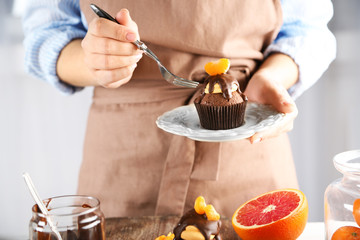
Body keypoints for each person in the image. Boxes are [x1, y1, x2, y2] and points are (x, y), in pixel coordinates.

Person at [22, 0, 336, 218]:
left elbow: (308, 31)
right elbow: (45, 36)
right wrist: (94, 61)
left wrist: (271, 78)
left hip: (248, 133)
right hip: (124, 153)